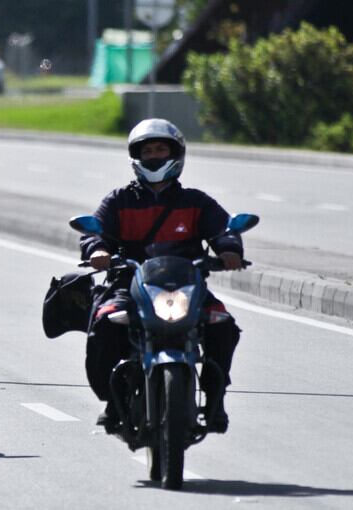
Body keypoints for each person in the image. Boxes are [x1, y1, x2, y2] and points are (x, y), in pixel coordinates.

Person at [80, 118, 243, 433]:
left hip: (186, 288)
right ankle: (114, 400)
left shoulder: (196, 202)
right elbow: (94, 234)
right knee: (106, 322)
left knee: (223, 326)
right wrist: (97, 251)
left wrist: (229, 249)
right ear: (137, 158)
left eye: (161, 149)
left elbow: (223, 228)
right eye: (148, 150)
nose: (154, 156)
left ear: (176, 154)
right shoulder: (118, 201)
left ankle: (215, 398)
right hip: (129, 286)